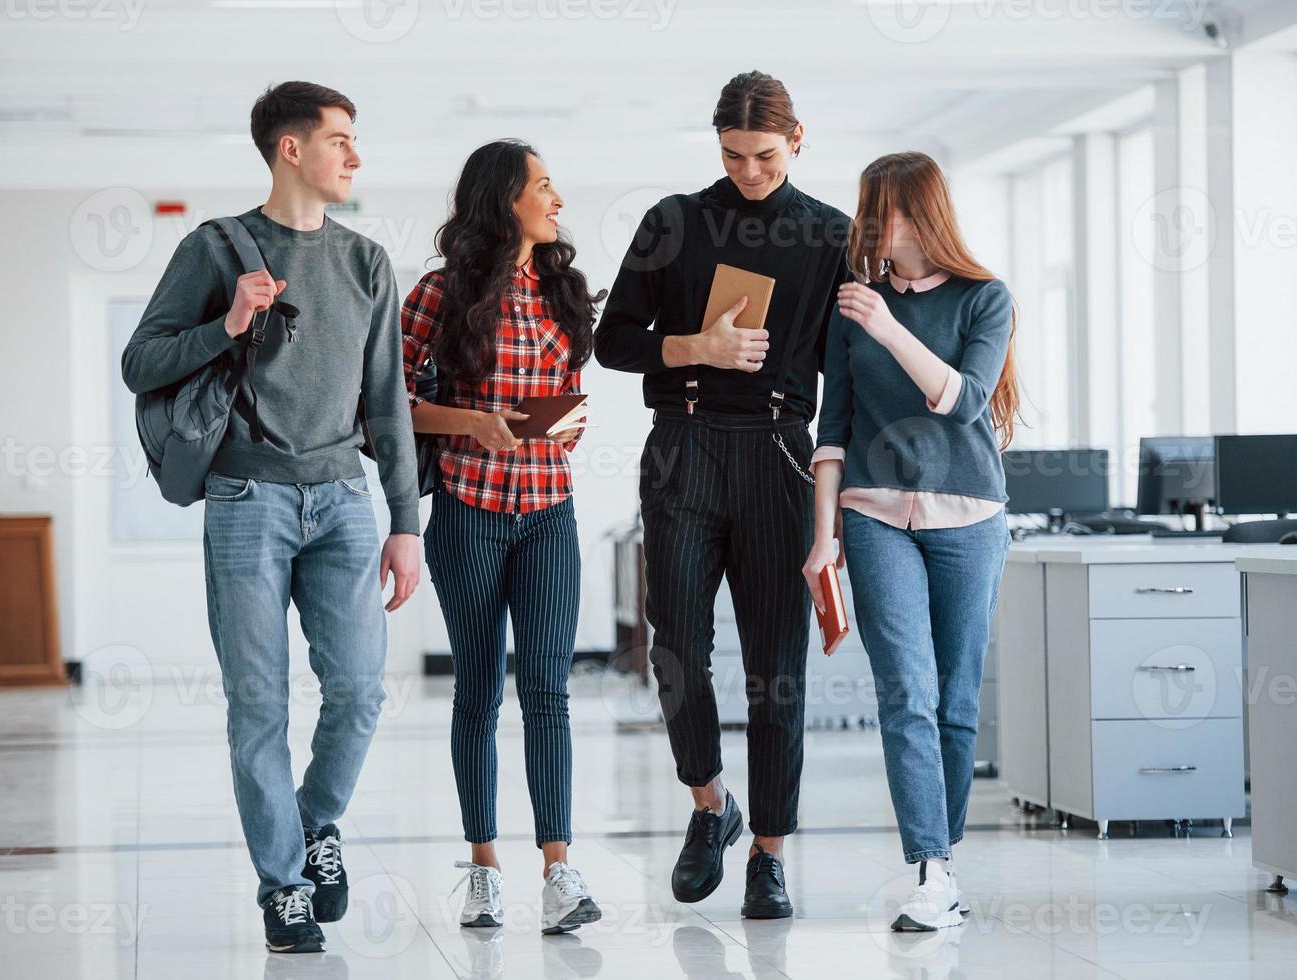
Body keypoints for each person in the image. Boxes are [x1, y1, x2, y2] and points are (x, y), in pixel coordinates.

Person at [120, 81, 421, 953]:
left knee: (360, 691)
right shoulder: (213, 247)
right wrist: (228, 322)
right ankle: (283, 887)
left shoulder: (366, 262)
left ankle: (314, 823)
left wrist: (405, 519)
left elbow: (388, 403)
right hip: (245, 500)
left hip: (344, 503)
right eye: (340, 140)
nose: (354, 156)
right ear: (292, 149)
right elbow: (142, 362)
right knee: (258, 704)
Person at [594, 70, 850, 919]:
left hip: (781, 453)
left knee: (777, 670)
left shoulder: (830, 235)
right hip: (685, 450)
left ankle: (770, 853)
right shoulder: (673, 221)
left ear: (798, 139)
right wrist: (695, 345)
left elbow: (849, 374)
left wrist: (843, 494)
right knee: (675, 649)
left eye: (765, 156)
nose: (748, 171)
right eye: (734, 155)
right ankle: (711, 805)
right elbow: (614, 341)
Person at [804, 150, 1018, 932]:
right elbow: (834, 429)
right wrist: (823, 536)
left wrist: (889, 329)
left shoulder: (984, 299)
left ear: (923, 213)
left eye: (883, 209)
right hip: (872, 513)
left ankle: (944, 858)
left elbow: (961, 403)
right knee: (906, 693)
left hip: (969, 515)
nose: (870, 226)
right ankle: (929, 868)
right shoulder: (851, 304)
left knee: (956, 699)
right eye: (867, 209)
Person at [401, 140, 606, 935]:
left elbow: (570, 399)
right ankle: (484, 867)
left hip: (550, 510)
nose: (557, 198)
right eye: (544, 186)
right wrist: (470, 423)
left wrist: (567, 421)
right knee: (479, 690)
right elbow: (383, 400)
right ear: (505, 199)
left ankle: (559, 870)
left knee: (548, 690)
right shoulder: (439, 294)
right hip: (467, 512)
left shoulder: (564, 290)